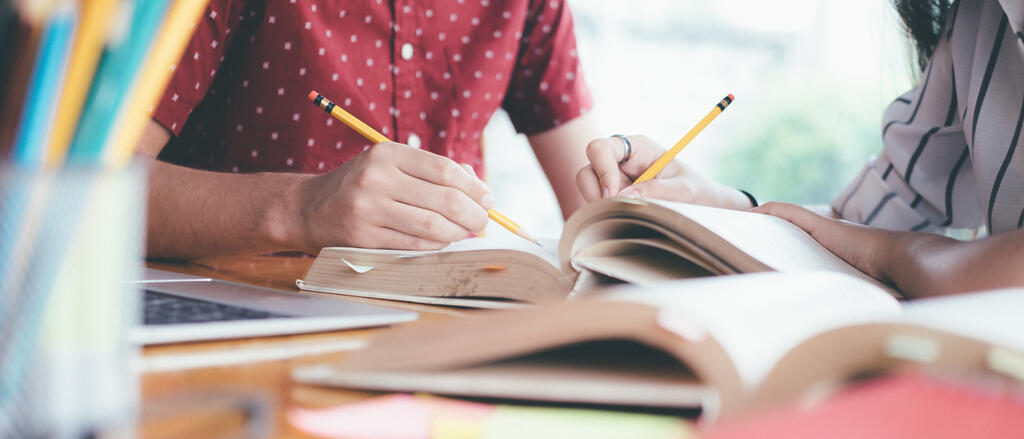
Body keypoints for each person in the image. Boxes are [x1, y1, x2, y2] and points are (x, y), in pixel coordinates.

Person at [577, 0, 1024, 299]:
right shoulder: (976, 19)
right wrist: (718, 205)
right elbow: (862, 227)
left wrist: (892, 253)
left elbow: (875, 243)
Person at [138, 0, 599, 259]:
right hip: (243, 340)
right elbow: (88, 194)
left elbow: (599, 212)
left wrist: (655, 208)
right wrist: (298, 209)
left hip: (444, 346)